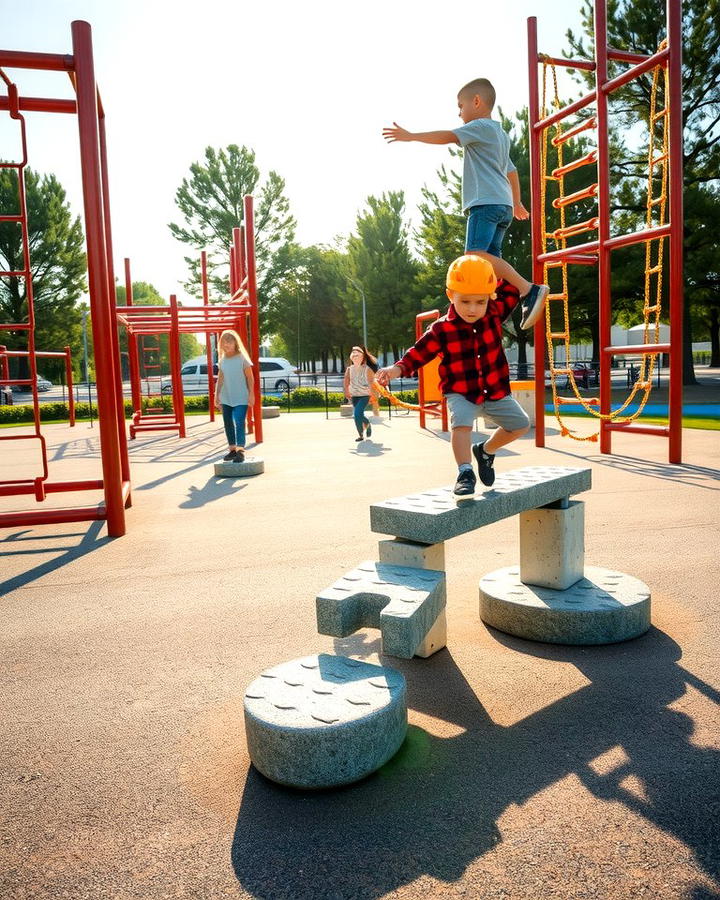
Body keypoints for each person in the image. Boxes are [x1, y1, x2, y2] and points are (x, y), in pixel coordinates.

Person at [383, 76, 548, 330]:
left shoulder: (481, 126)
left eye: (461, 106)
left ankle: (528, 289)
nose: (459, 112)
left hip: (485, 204)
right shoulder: (500, 135)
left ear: (477, 101)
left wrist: (411, 136)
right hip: (502, 206)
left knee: (473, 255)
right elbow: (512, 172)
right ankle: (495, 308)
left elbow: (448, 136)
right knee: (488, 263)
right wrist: (515, 203)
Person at [376, 255, 530, 500]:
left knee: (521, 425)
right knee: (462, 425)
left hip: (495, 388)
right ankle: (465, 472)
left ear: (489, 296)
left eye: (480, 301)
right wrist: (395, 370)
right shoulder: (441, 329)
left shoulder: (494, 313)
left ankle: (486, 451)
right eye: (465, 301)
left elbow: (512, 284)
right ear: (451, 296)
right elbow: (418, 354)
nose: (472, 308)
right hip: (461, 390)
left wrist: (486, 255)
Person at [213, 329, 255, 461]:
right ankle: (232, 450)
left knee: (239, 422)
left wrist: (251, 394)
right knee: (228, 423)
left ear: (235, 343)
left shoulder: (242, 358)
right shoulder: (222, 360)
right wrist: (216, 395)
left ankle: (240, 450)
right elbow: (220, 379)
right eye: (224, 342)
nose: (226, 345)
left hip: (241, 397)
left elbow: (250, 378)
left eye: (229, 342)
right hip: (226, 397)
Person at [344, 345, 376, 442]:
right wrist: (346, 391)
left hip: (365, 395)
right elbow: (346, 381)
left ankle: (361, 434)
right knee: (359, 414)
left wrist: (372, 395)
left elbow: (371, 383)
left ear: (362, 357)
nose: (355, 357)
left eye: (357, 355)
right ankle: (366, 427)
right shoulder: (349, 369)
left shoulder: (367, 369)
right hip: (354, 396)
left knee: (357, 414)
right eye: (353, 355)